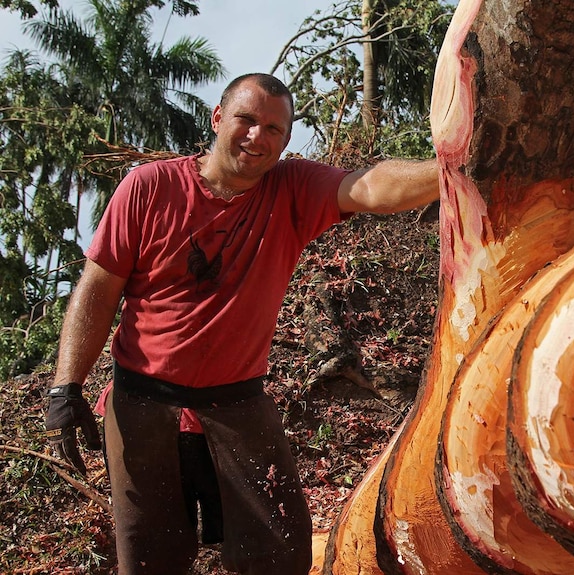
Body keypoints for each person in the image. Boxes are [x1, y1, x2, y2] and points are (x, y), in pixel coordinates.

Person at [43, 72, 440, 575]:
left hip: (238, 403)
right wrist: (65, 388)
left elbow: (370, 187)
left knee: (278, 555)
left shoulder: (292, 189)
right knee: (149, 560)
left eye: (274, 129)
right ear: (218, 118)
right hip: (142, 405)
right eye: (247, 120)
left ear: (286, 140)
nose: (258, 137)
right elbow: (97, 290)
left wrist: (455, 163)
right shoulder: (148, 187)